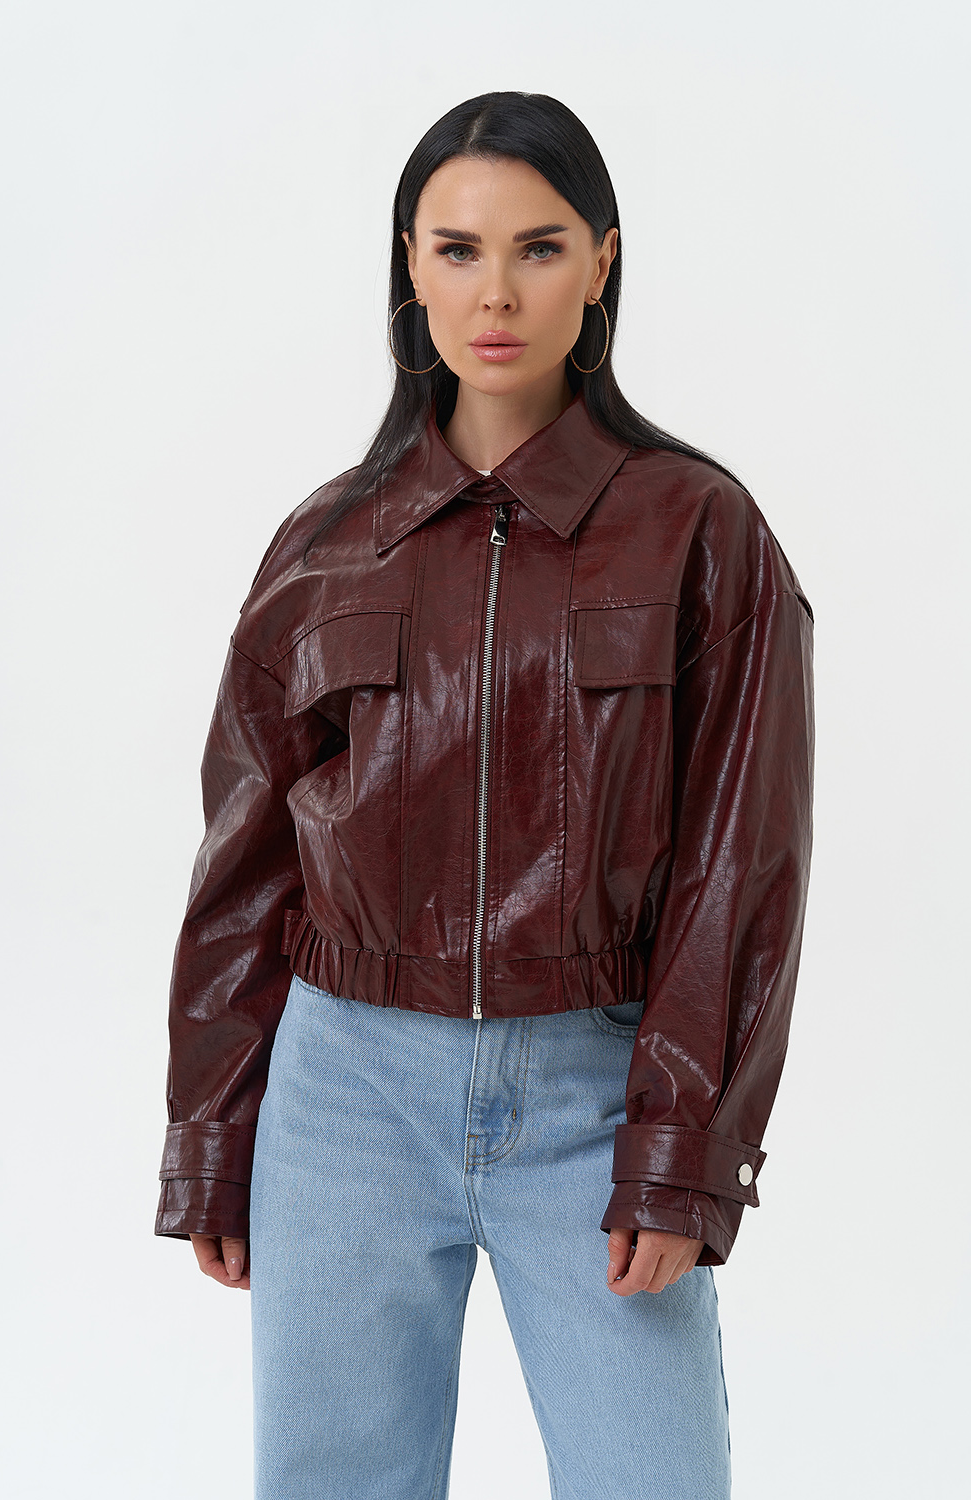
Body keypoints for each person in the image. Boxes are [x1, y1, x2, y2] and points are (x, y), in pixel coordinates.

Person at [154, 91, 815, 1500]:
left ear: (603, 261)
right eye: (457, 249)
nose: (496, 293)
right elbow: (244, 865)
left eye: (540, 247)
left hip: (595, 1090)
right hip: (340, 1100)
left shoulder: (701, 530)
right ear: (410, 264)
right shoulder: (326, 543)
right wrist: (212, 1134)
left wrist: (682, 1151)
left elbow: (740, 867)